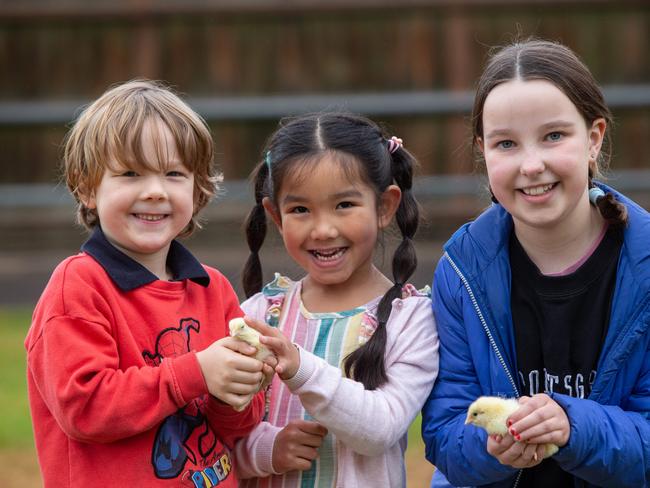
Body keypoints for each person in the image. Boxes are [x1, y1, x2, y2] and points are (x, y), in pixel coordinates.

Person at [421, 38, 650, 488]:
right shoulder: (460, 273)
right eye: (506, 144)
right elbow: (444, 435)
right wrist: (490, 449)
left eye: (554, 136)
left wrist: (573, 426)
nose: (531, 164)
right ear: (483, 152)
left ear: (594, 138)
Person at [25, 79, 273, 487]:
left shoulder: (213, 288)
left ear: (198, 187)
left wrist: (240, 388)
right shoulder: (80, 285)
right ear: (88, 187)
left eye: (174, 173)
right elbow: (84, 408)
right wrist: (196, 373)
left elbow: (235, 428)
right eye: (130, 173)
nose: (155, 191)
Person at [231, 112, 439, 487]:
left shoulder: (411, 319)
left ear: (385, 206)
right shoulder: (260, 316)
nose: (323, 229)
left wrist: (300, 369)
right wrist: (264, 451)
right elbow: (212, 437)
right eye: (300, 210)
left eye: (344, 205)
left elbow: (379, 429)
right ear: (276, 217)